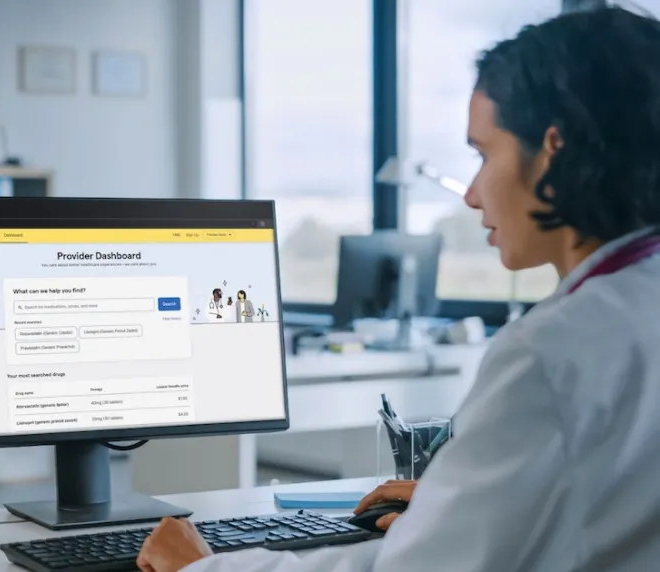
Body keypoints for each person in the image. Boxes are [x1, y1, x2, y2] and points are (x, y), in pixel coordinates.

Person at [137, 7, 660, 572]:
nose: (472, 194)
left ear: (552, 150)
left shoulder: (551, 350)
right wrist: (462, 505)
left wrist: (199, 568)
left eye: (485, 155)